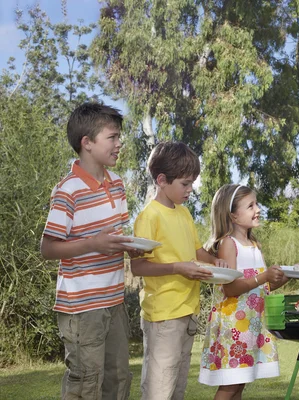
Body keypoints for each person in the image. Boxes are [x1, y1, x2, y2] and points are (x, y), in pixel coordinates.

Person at [40, 102, 139, 399]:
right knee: (87, 382)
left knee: (119, 377)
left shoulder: (118, 185)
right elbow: (47, 248)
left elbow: (116, 237)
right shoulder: (68, 190)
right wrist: (93, 244)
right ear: (87, 143)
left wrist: (132, 248)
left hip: (114, 300)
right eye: (112, 137)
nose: (119, 144)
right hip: (81, 308)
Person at [130, 141, 228, 400]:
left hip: (188, 311)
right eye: (185, 184)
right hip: (164, 317)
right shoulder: (149, 217)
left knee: (177, 389)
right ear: (162, 180)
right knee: (158, 391)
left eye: (192, 183)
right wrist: (179, 269)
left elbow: (197, 252)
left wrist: (215, 261)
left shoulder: (184, 214)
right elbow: (138, 266)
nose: (190, 190)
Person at [199, 184, 289, 400]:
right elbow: (230, 288)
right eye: (250, 206)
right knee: (230, 385)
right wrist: (263, 277)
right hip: (235, 327)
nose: (257, 209)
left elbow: (261, 286)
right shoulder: (229, 244)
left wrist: (283, 277)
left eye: (256, 204)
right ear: (233, 216)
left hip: (252, 324)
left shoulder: (254, 245)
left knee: (240, 384)